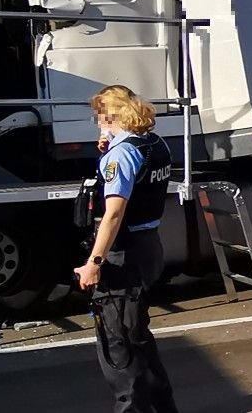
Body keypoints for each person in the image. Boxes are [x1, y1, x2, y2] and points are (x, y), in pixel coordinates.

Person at [78, 85, 180, 413]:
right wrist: (110, 146)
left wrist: (95, 260)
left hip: (124, 253)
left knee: (118, 344)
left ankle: (132, 409)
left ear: (111, 114)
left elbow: (115, 212)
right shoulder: (154, 143)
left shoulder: (122, 154)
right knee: (138, 337)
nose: (97, 121)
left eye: (99, 115)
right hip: (148, 245)